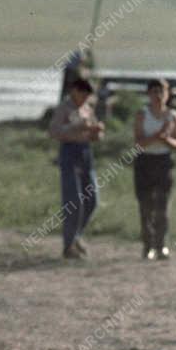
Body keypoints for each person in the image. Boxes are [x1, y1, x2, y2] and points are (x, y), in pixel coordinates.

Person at [49, 77, 104, 260]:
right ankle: (68, 245)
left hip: (85, 153)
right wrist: (76, 126)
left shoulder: (87, 108)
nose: (84, 98)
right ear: (74, 91)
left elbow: (95, 132)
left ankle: (76, 236)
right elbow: (54, 131)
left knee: (92, 199)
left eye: (87, 95)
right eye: (82, 94)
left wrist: (97, 132)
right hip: (69, 153)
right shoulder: (64, 108)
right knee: (74, 201)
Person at [133, 78, 176, 260]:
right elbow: (138, 143)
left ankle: (161, 245)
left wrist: (165, 139)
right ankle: (148, 246)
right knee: (146, 206)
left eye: (162, 92)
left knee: (163, 206)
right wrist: (156, 136)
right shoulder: (142, 114)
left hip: (164, 161)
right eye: (154, 92)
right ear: (148, 94)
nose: (158, 96)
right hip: (144, 161)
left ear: (167, 94)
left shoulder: (173, 115)